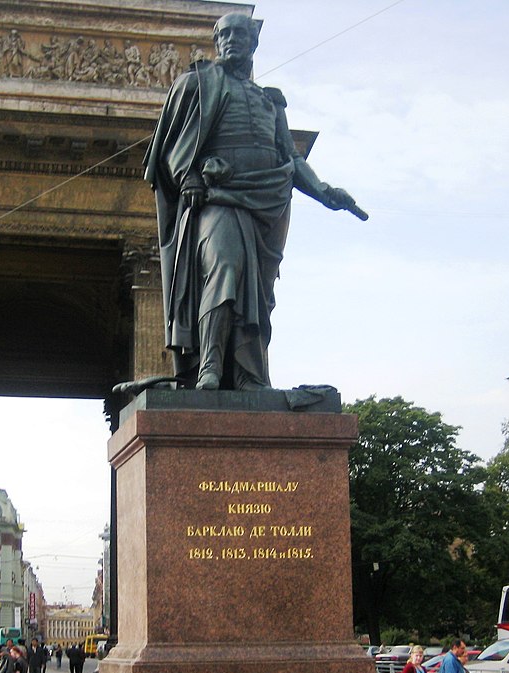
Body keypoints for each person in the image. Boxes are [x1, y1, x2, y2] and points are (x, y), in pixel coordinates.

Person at [143, 12, 362, 391]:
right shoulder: (195, 84)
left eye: (239, 34)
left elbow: (290, 158)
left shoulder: (270, 100)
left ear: (253, 42)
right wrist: (188, 174)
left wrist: (323, 190)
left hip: (266, 203)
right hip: (219, 196)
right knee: (224, 266)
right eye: (224, 34)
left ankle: (248, 376)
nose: (231, 40)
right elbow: (167, 148)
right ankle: (208, 366)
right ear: (216, 41)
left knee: (258, 296)